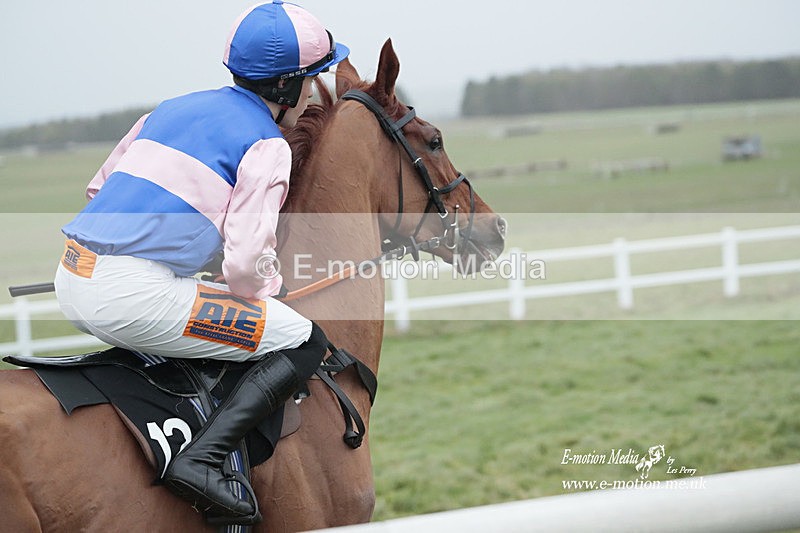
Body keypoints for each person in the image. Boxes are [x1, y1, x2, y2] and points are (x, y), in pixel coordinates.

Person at [54, 0, 349, 522]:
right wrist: (270, 288)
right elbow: (245, 268)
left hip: (72, 272)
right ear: (286, 87)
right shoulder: (267, 143)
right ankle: (202, 461)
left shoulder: (170, 108)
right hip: (132, 296)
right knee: (303, 339)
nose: (310, 94)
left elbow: (99, 187)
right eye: (310, 81)